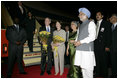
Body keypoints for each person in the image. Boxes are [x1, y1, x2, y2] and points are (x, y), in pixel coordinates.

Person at [74, 7, 96, 78]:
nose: (79, 16)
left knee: (88, 70)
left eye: (81, 14)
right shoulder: (80, 25)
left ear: (86, 15)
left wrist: (80, 42)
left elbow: (92, 37)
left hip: (87, 51)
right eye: (79, 14)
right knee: (83, 69)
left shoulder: (91, 23)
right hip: (80, 50)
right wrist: (76, 42)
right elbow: (79, 37)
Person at [94, 11, 112, 77]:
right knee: (97, 61)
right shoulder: (95, 24)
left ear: (102, 16)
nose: (97, 16)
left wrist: (107, 46)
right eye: (96, 15)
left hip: (103, 46)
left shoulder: (106, 23)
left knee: (104, 61)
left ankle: (104, 75)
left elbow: (109, 36)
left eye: (99, 15)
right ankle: (98, 73)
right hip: (96, 46)